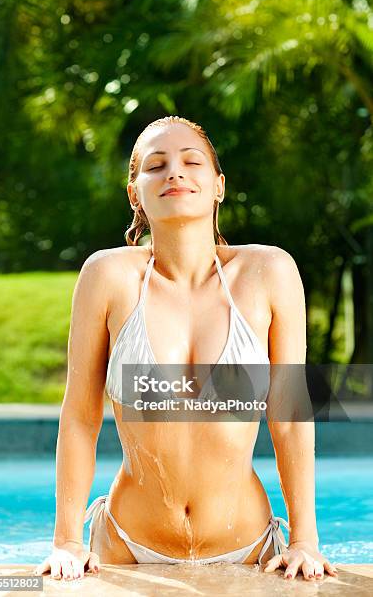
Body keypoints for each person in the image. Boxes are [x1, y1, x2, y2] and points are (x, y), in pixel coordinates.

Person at [34, 116, 337, 581]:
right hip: (125, 544)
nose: (174, 172)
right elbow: (80, 415)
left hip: (247, 545)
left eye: (191, 161)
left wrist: (304, 542)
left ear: (218, 186)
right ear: (135, 193)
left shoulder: (269, 272)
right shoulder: (107, 277)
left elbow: (290, 416)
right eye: (156, 165)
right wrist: (67, 542)